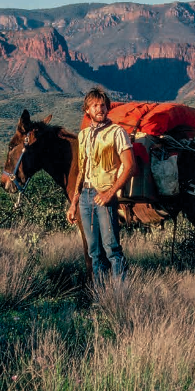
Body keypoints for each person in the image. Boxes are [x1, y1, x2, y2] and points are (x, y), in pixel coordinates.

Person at [66, 87, 135, 284]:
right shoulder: (83, 135)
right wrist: (74, 203)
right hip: (85, 197)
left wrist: (110, 193)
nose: (100, 109)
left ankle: (121, 295)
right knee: (94, 250)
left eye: (103, 105)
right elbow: (82, 170)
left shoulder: (117, 132)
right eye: (95, 105)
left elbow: (130, 166)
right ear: (87, 110)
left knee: (112, 248)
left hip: (104, 194)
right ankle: (100, 296)